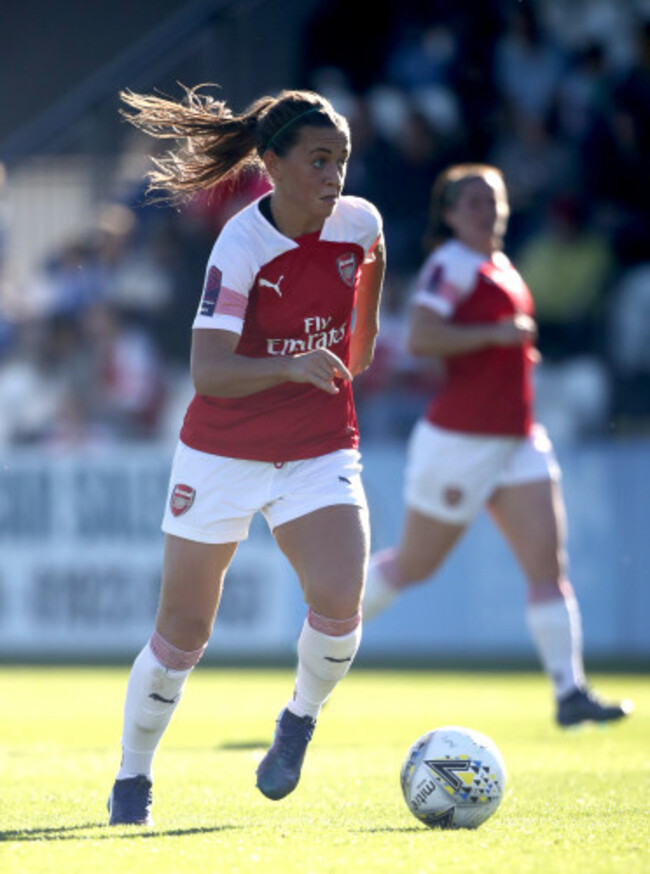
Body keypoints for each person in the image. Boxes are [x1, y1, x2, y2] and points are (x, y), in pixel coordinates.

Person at [107, 84, 385, 825]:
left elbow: (371, 271)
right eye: (319, 160)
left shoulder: (360, 223)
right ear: (272, 164)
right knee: (183, 633)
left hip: (318, 447)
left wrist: (355, 347)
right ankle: (133, 778)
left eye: (342, 160)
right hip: (222, 453)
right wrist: (293, 365)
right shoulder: (241, 244)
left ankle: (298, 720)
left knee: (340, 602)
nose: (334, 176)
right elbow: (209, 373)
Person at [361, 163, 632, 729]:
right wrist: (494, 335)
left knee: (547, 566)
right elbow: (422, 336)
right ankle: (322, 635)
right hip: (459, 439)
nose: (489, 211)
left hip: (517, 436)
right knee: (414, 565)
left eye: (495, 200)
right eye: (475, 202)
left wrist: (508, 349)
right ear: (450, 214)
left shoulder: (501, 266)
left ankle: (569, 692)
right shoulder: (451, 264)